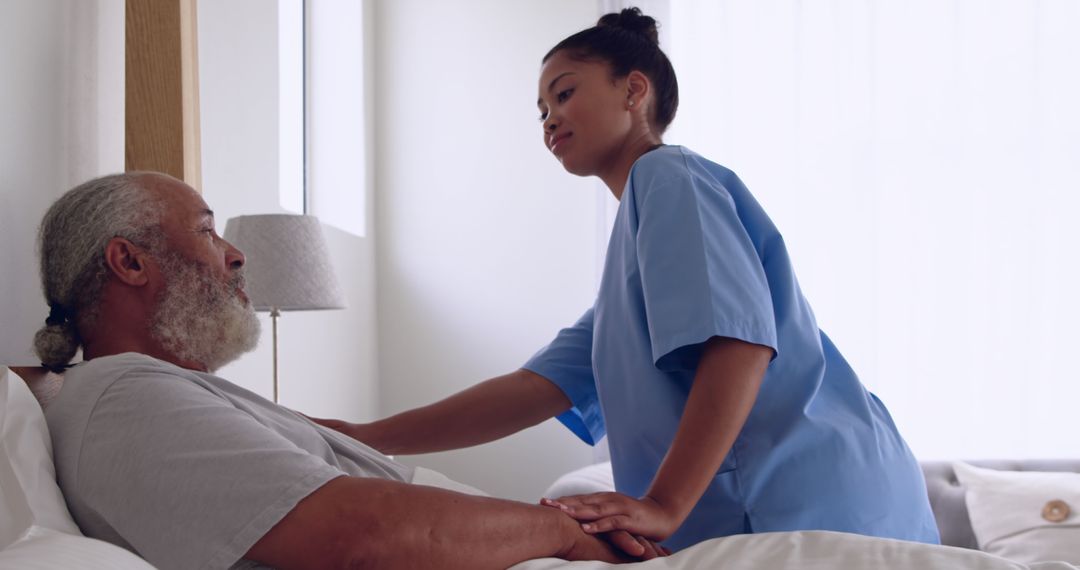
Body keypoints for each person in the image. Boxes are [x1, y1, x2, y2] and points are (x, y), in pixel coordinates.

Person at [312, 8, 941, 553]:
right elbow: (533, 390)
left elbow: (741, 346)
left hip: (812, 501)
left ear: (633, 90)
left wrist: (664, 503)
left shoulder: (667, 177)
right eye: (540, 110)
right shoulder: (631, 263)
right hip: (790, 508)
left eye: (563, 94)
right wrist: (367, 438)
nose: (549, 120)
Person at [31, 171, 667, 569]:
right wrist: (559, 530)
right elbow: (363, 535)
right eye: (207, 231)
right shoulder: (124, 401)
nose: (236, 255)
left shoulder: (164, 394)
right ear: (129, 262)